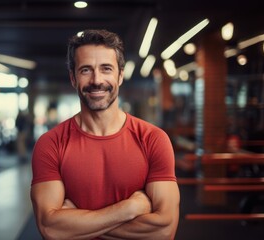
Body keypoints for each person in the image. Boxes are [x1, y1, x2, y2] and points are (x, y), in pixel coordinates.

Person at [30, 29, 180, 240]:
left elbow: (164, 230)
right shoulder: (50, 144)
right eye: (85, 70)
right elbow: (50, 229)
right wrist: (129, 209)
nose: (96, 80)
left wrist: (74, 223)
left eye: (106, 68)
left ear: (120, 75)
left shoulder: (153, 139)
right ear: (73, 78)